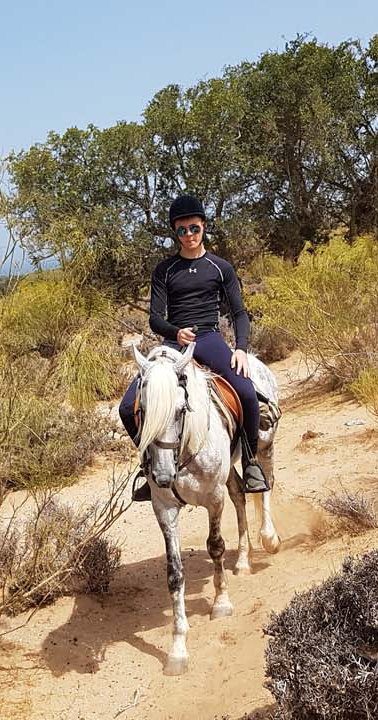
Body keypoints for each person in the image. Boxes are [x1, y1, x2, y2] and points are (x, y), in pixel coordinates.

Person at [120, 194, 269, 502]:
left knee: (245, 392)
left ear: (203, 227)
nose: (188, 235)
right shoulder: (164, 270)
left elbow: (239, 313)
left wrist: (241, 348)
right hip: (173, 344)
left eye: (194, 228)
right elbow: (155, 319)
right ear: (175, 232)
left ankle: (251, 463)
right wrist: (176, 332)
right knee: (127, 407)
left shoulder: (220, 267)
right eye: (182, 230)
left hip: (210, 339)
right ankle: (149, 468)